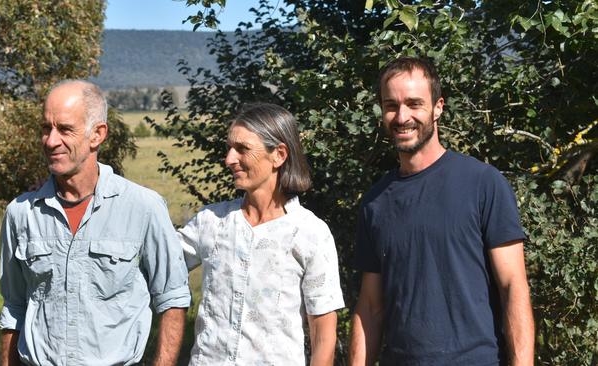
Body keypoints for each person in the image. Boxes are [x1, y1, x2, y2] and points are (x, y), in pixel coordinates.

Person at [349, 57, 535, 365]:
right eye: (391, 105)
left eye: (414, 104)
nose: (402, 116)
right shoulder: (375, 202)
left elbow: (513, 287)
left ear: (438, 107)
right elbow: (370, 307)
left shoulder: (482, 183)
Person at [0, 80, 191, 366]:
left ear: (97, 135)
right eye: (45, 129)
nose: (51, 141)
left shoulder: (143, 207)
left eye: (64, 129)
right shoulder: (21, 213)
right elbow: (14, 307)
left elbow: (172, 298)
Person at [178, 103, 344, 365]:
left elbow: (323, 334)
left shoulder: (310, 234)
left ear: (278, 155)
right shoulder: (211, 223)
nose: (229, 159)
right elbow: (159, 264)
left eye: (243, 149)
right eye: (230, 148)